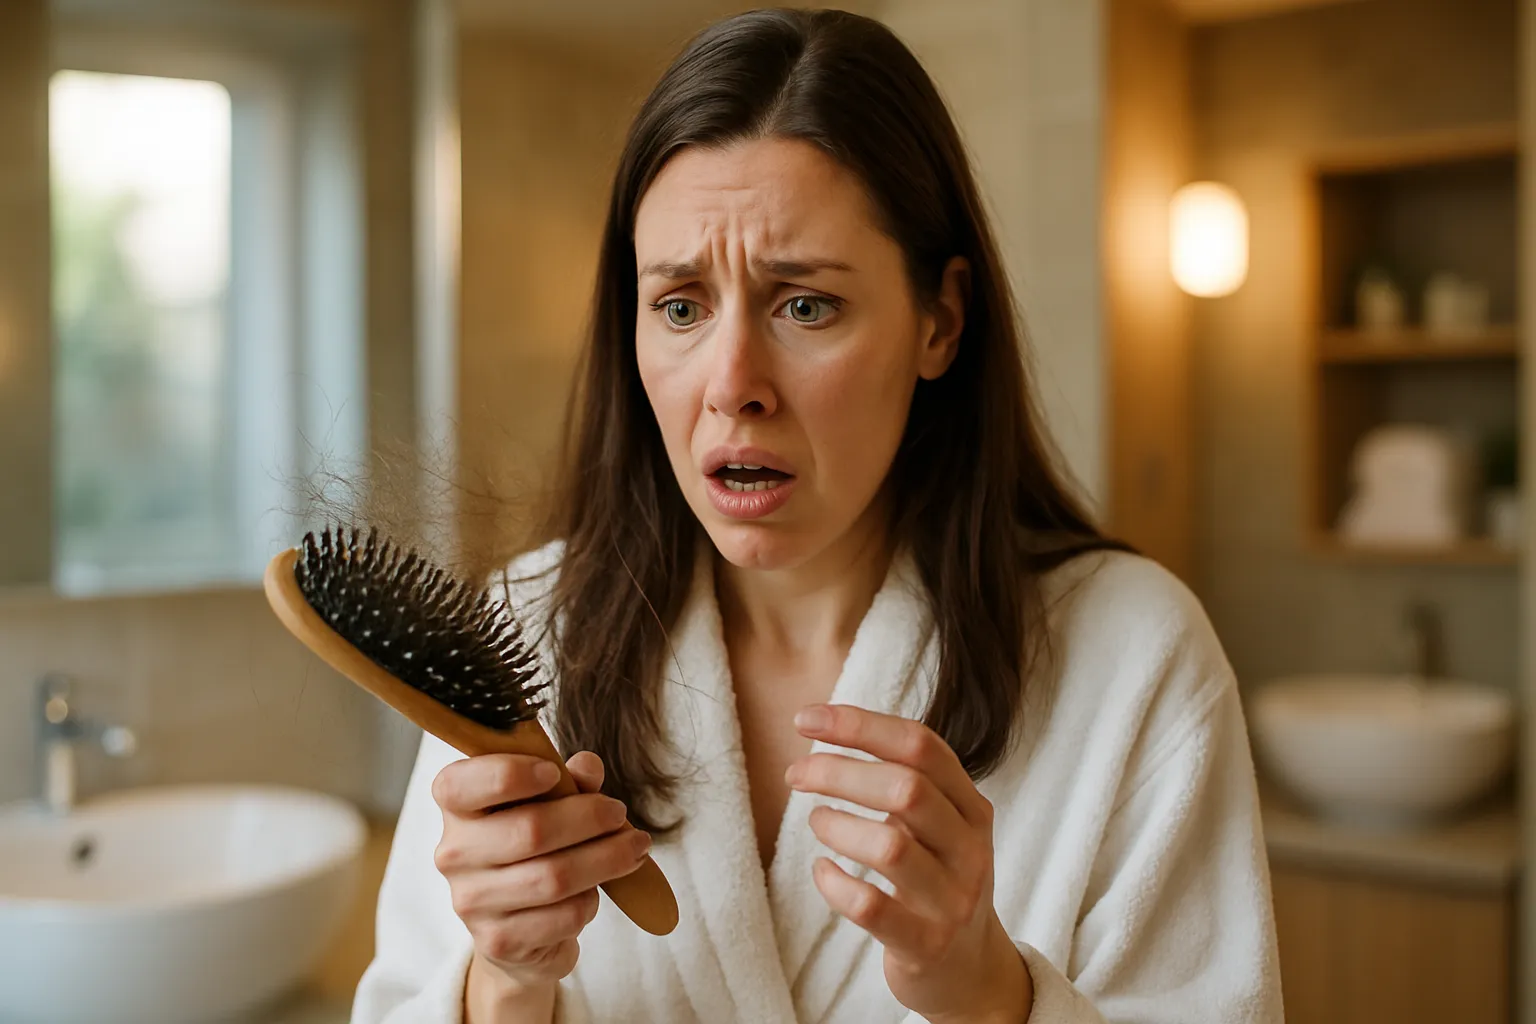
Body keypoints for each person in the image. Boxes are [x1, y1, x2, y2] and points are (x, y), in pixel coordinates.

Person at [352, 8, 1283, 1023]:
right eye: (680, 306)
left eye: (805, 304)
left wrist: (988, 991)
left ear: (941, 319)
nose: (733, 383)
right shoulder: (525, 633)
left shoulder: (1133, 653)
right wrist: (502, 985)